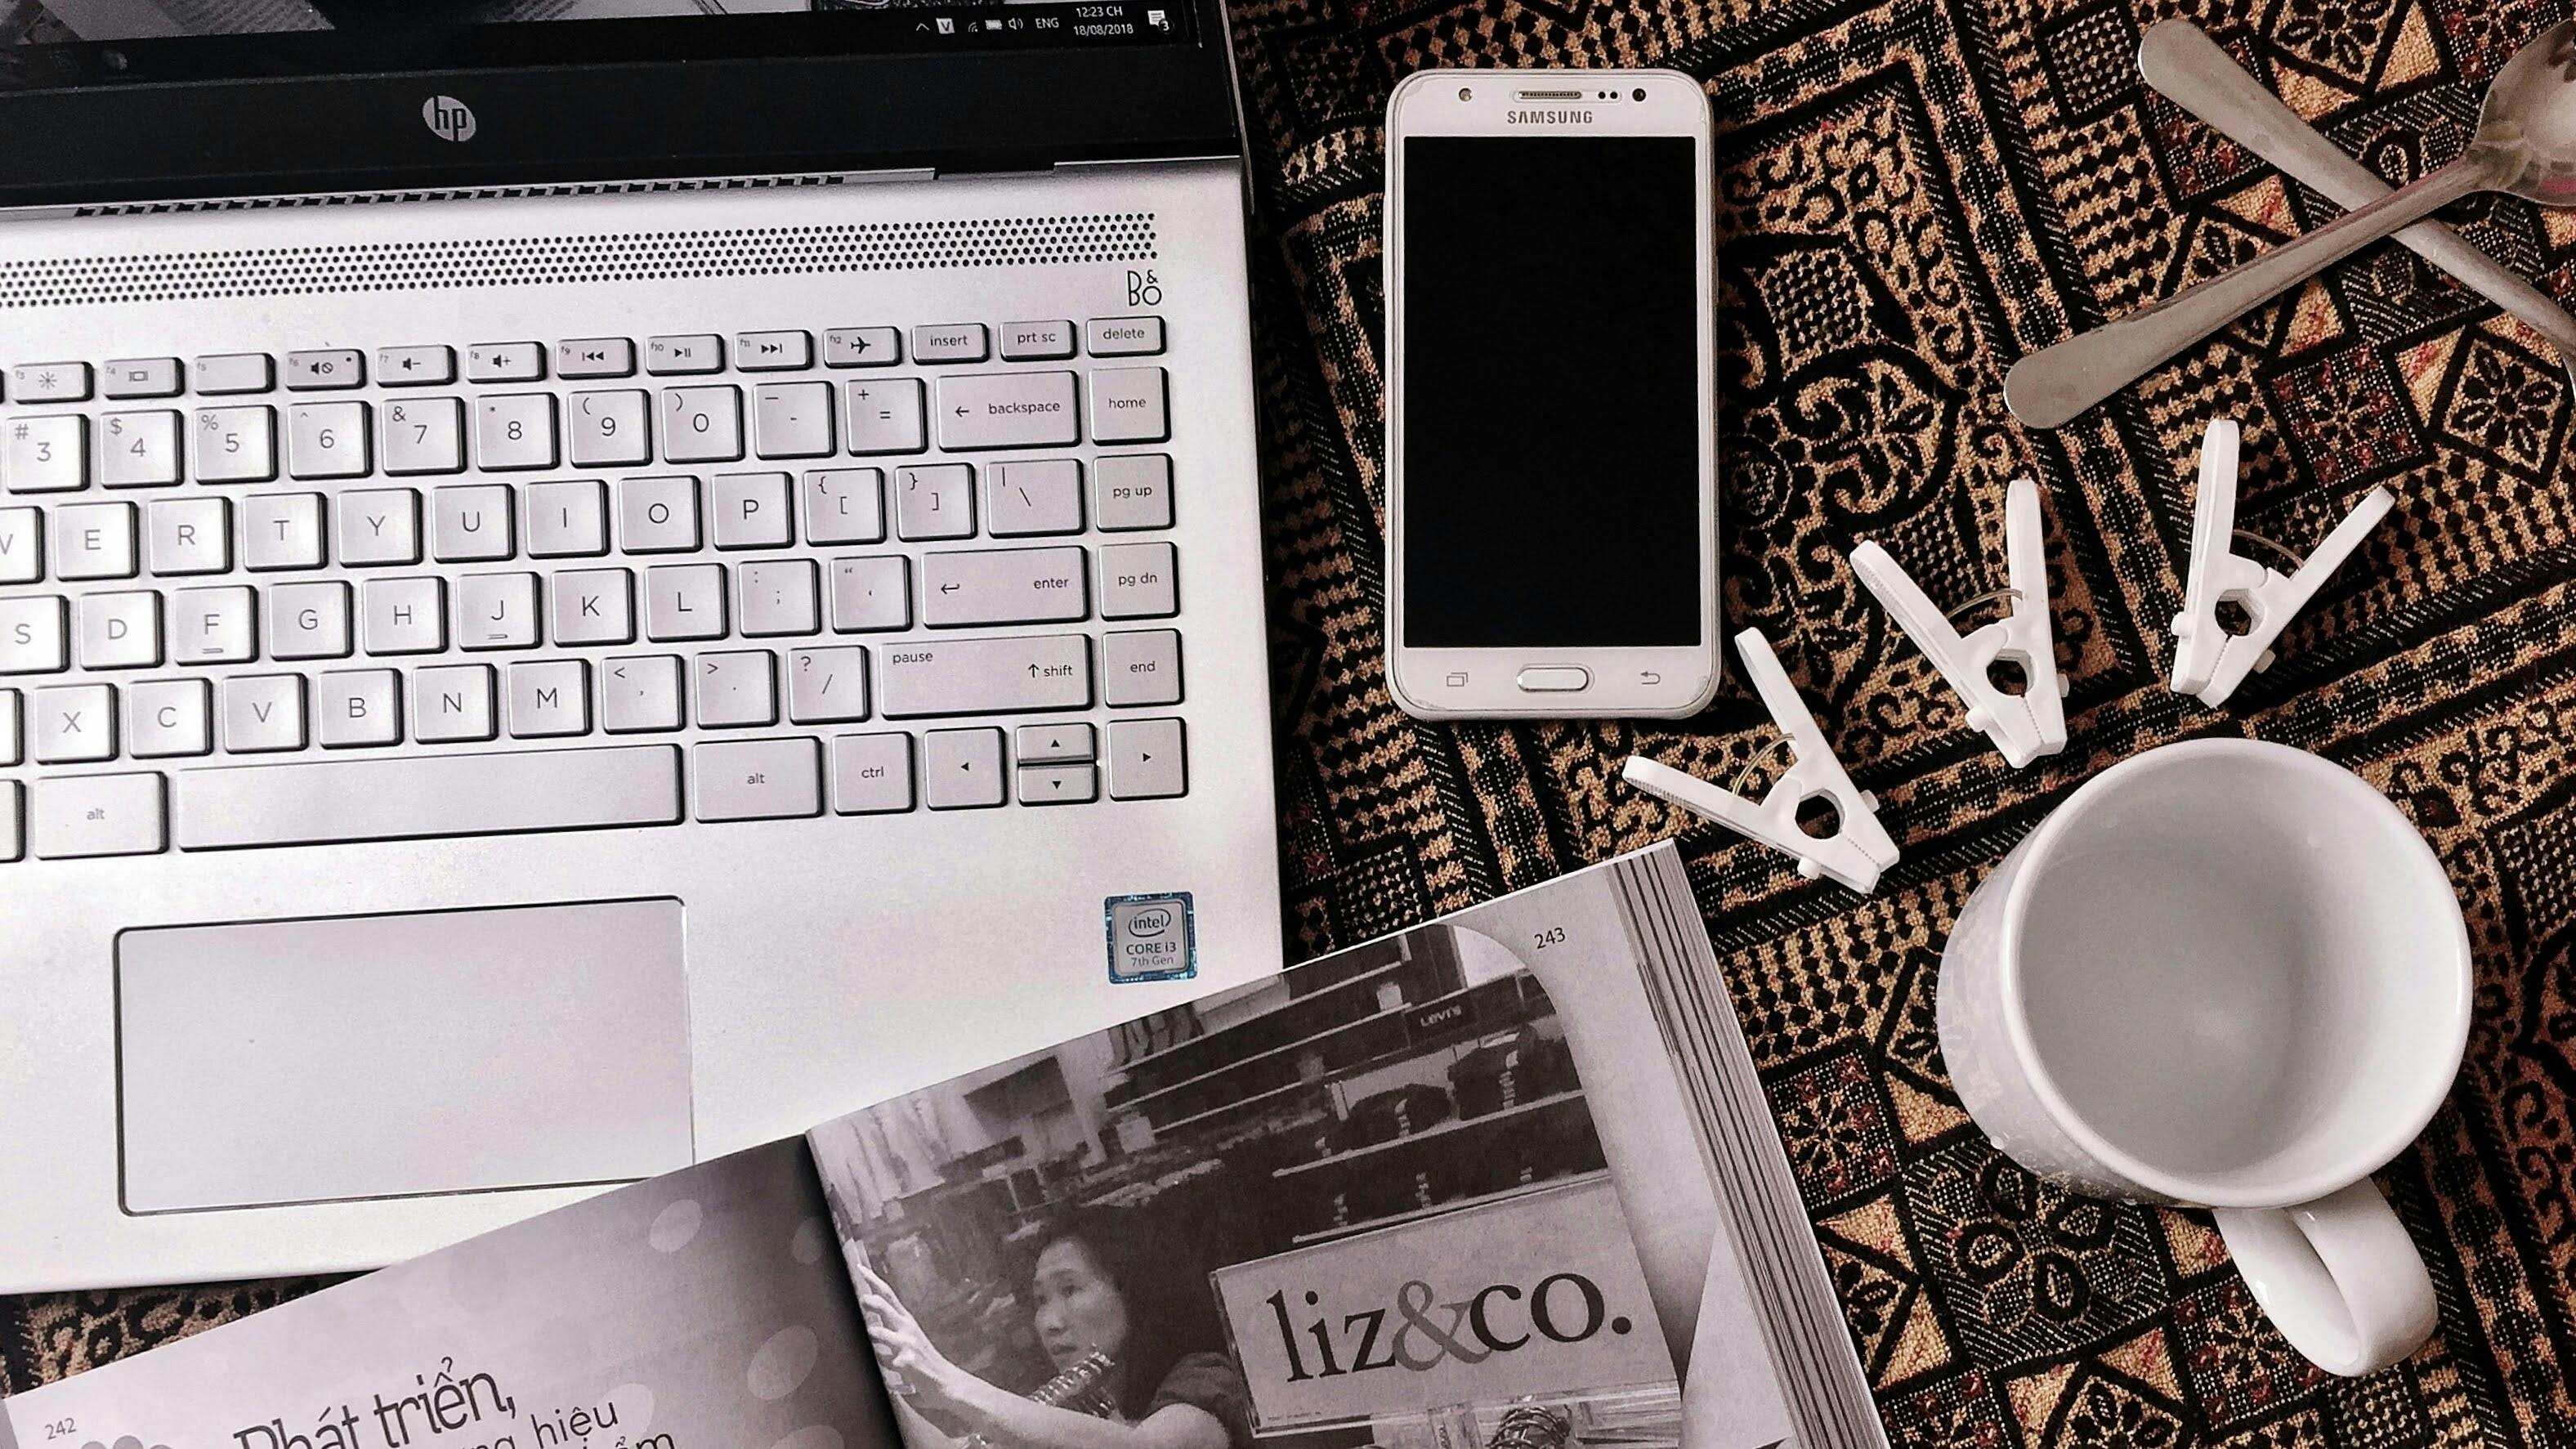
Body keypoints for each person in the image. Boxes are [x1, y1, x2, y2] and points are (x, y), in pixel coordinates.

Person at [853, 1209, 1253, 1449]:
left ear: (1133, 1291)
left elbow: (1146, 1448)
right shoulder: (1064, 1402)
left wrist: (950, 1382)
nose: (1049, 1322)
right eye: (1041, 1300)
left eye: (1071, 1289)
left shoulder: (1205, 1375)